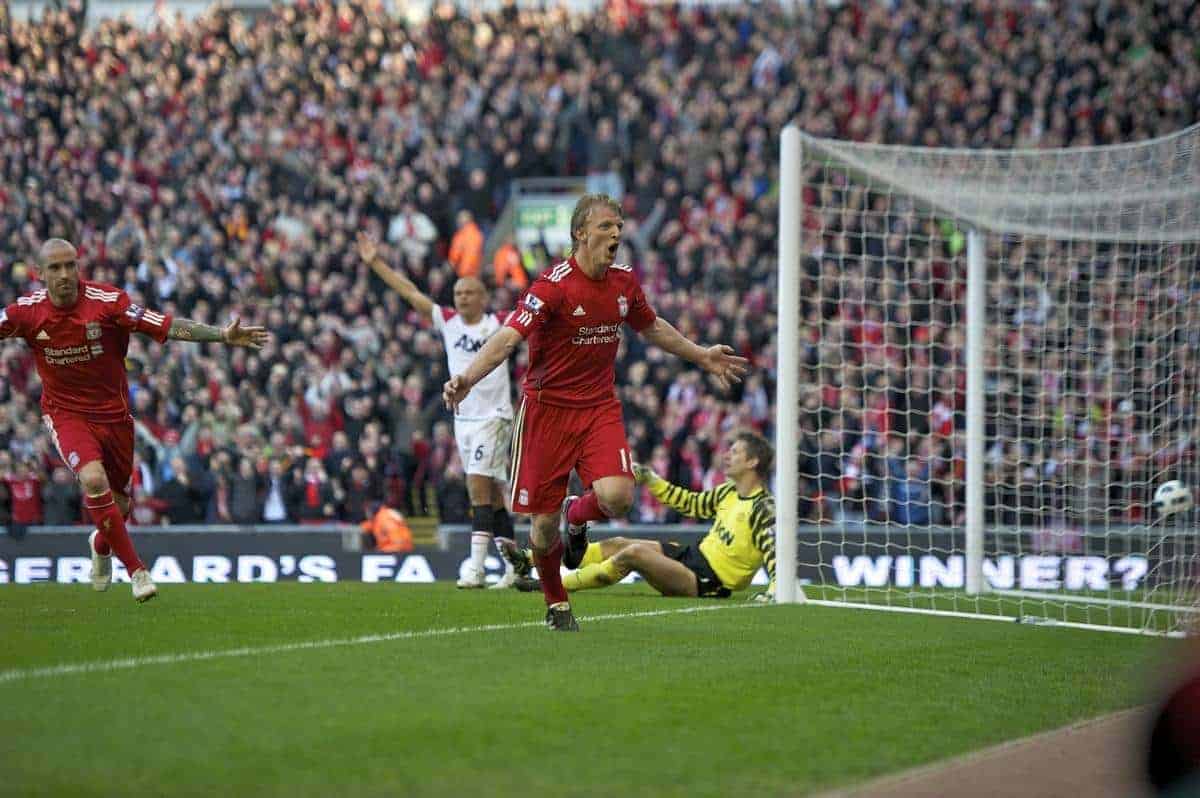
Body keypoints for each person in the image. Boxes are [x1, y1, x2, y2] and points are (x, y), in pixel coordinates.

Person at [443, 193, 749, 630]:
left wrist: (701, 356)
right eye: (607, 226)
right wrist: (468, 378)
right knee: (542, 528)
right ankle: (556, 601)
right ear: (580, 233)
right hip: (547, 411)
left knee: (619, 497)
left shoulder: (624, 283)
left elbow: (653, 326)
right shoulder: (552, 286)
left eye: (620, 227)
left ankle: (578, 515)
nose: (617, 234)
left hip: (598, 407)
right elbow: (509, 337)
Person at [0, 238, 268, 602]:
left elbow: (167, 325)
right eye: (55, 268)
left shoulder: (108, 303)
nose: (65, 274)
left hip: (115, 418)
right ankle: (137, 571)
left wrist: (221, 334)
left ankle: (101, 542)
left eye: (70, 265)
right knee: (93, 481)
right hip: (66, 415)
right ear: (41, 273)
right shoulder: (26, 313)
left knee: (120, 506)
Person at [357, 232, 530, 590]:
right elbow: (409, 292)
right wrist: (376, 263)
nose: (462, 298)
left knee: (476, 486)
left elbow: (537, 313)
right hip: (463, 419)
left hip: (494, 416)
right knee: (493, 496)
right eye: (457, 294)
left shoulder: (501, 322)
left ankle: (476, 568)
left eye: (468, 292)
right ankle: (516, 566)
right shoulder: (447, 320)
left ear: (483, 296)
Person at [498, 431, 781, 601]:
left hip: (709, 582)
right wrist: (651, 479)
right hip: (692, 556)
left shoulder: (763, 508)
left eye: (735, 452)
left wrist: (776, 587)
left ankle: (549, 584)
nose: (727, 456)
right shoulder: (727, 492)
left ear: (753, 462)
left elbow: (774, 551)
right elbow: (691, 503)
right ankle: (529, 558)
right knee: (618, 543)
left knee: (633, 554)